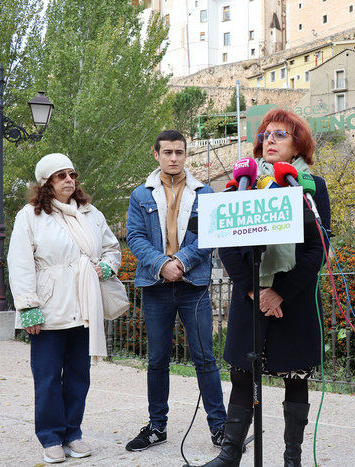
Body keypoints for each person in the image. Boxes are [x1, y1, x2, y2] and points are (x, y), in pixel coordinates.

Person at [202, 108, 330, 467]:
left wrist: (280, 292)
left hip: (295, 299)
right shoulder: (242, 185)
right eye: (265, 135)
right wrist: (253, 291)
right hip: (250, 297)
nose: (269, 141)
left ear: (297, 146)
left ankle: (292, 459)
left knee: (295, 378)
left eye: (279, 135)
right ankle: (230, 455)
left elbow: (318, 246)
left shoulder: (311, 186)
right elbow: (225, 243)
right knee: (242, 376)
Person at [8, 153, 122, 463]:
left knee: (78, 376)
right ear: (47, 182)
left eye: (72, 174)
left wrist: (108, 267)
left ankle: (73, 432)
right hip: (48, 309)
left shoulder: (91, 213)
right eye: (61, 176)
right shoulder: (29, 216)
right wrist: (28, 307)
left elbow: (112, 248)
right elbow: (20, 264)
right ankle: (50, 437)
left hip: (85, 307)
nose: (69, 180)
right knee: (46, 378)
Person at [125, 130, 227, 451]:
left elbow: (209, 235)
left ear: (186, 155)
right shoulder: (140, 195)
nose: (173, 158)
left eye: (179, 153)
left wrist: (180, 262)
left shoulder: (204, 192)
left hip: (192, 286)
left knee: (205, 358)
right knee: (157, 360)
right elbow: (135, 236)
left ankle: (220, 428)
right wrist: (161, 264)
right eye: (167, 152)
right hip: (155, 287)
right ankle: (157, 427)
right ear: (155, 154)